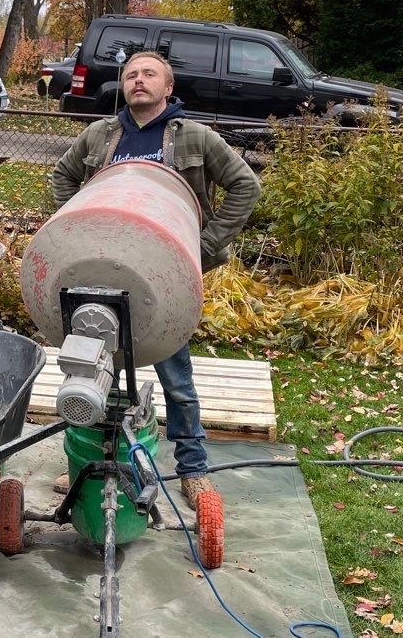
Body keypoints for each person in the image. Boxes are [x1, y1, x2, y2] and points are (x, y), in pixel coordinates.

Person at [49, 50, 261, 508]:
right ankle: (86, 465)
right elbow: (62, 176)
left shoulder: (196, 138)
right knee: (93, 370)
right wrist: (75, 228)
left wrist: (203, 247)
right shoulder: (100, 135)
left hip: (162, 279)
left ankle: (193, 468)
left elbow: (247, 185)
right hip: (99, 274)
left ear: (169, 88)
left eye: (149, 74)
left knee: (176, 378)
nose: (138, 81)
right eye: (130, 75)